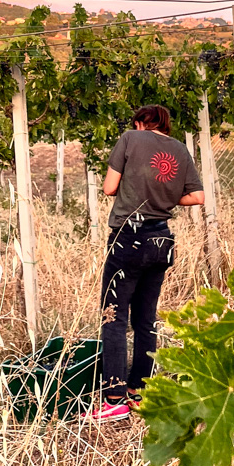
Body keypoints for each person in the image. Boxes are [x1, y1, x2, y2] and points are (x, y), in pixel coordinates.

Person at [86, 104, 204, 423]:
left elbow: (109, 188)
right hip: (161, 240)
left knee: (113, 317)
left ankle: (114, 400)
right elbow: (197, 197)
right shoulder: (180, 149)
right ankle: (140, 393)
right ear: (164, 125)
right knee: (145, 319)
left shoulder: (129, 138)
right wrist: (164, 197)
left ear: (140, 123)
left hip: (129, 236)